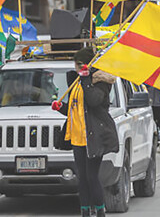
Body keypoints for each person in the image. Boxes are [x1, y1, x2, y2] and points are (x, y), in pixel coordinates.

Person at [51, 47, 119, 217]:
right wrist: (60, 108)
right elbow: (76, 109)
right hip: (77, 137)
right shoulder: (76, 83)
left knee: (91, 176)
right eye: (76, 64)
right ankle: (84, 211)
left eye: (81, 63)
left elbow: (94, 101)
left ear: (89, 64)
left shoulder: (100, 82)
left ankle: (100, 210)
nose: (77, 67)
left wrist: (87, 79)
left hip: (93, 136)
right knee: (82, 177)